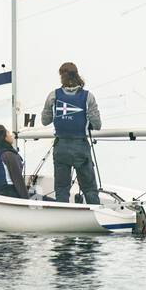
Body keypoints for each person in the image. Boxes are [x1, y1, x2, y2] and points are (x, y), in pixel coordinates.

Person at [41, 62, 101, 205]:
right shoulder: (88, 97)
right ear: (77, 75)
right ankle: (97, 214)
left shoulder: (53, 96)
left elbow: (45, 121)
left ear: (61, 76)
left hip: (61, 147)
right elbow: (97, 125)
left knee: (61, 188)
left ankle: (63, 216)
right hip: (81, 147)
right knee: (89, 188)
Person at [0, 125, 27, 199]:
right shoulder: (8, 154)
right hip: (11, 195)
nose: (11, 135)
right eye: (8, 132)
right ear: (3, 137)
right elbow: (18, 181)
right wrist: (27, 200)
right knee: (47, 200)